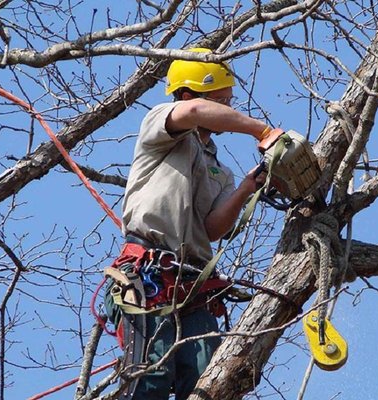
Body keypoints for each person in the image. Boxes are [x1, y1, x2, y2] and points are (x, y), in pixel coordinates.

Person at [105, 47, 278, 400]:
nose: (228, 111)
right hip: (147, 275)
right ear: (187, 94)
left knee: (207, 384)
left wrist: (249, 185)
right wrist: (262, 130)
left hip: (194, 287)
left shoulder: (220, 170)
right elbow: (196, 112)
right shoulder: (160, 126)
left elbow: (213, 228)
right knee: (149, 379)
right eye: (222, 102)